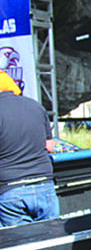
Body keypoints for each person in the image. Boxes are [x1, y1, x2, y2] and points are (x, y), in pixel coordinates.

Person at [0, 76, 60, 227]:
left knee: (21, 245)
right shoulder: (35, 106)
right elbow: (50, 146)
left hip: (10, 188)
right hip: (44, 183)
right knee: (53, 241)